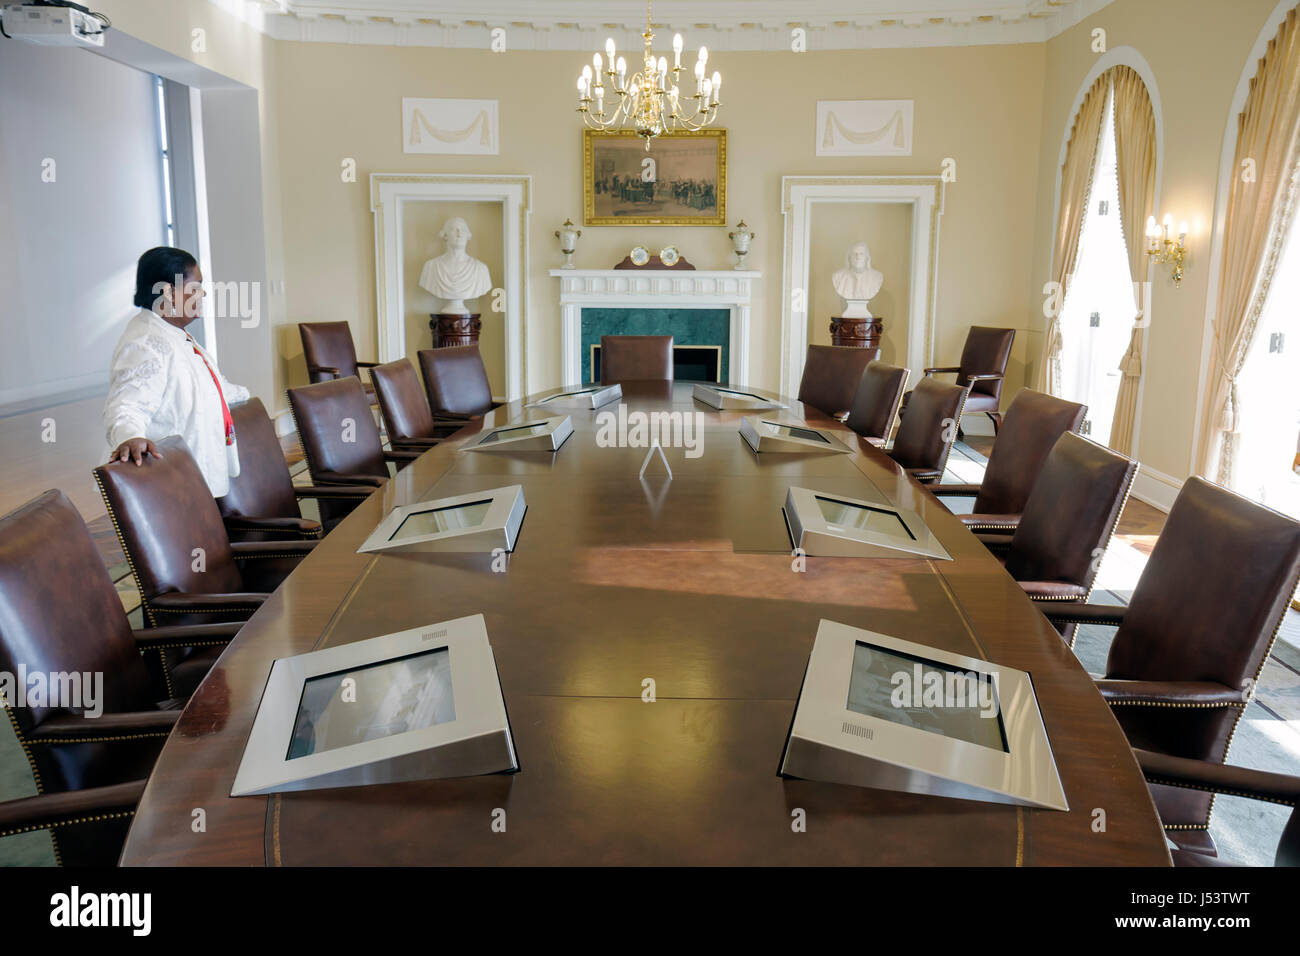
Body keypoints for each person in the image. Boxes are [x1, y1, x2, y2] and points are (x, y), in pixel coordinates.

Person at [104, 247, 249, 496]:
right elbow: (127, 407)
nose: (202, 293)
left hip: (194, 474)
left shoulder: (175, 334)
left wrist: (248, 394)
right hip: (173, 486)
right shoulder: (146, 343)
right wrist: (130, 437)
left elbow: (215, 387)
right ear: (169, 293)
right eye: (196, 287)